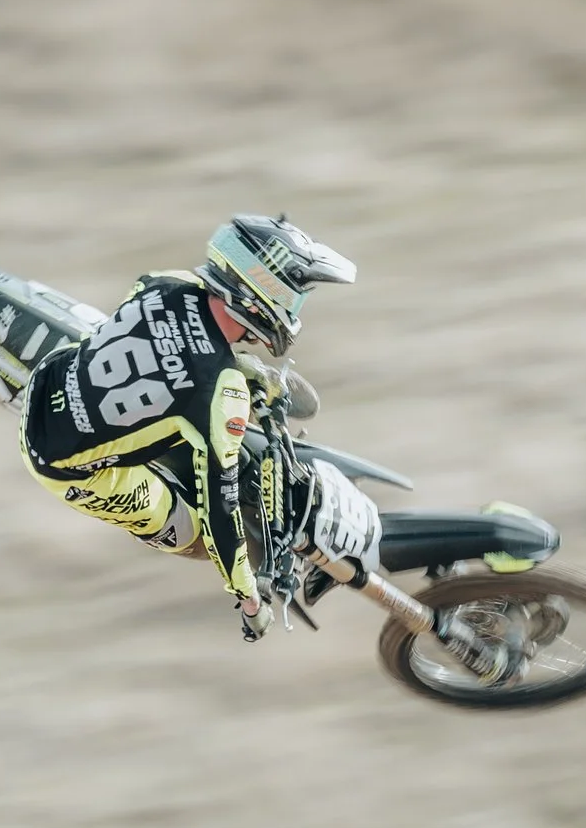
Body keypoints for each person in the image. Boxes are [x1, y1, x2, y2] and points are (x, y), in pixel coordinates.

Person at [19, 215, 355, 639]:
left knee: (195, 415)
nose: (294, 311)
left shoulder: (168, 281)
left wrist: (226, 366)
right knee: (191, 533)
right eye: (294, 298)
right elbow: (220, 510)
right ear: (258, 299)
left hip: (52, 372)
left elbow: (166, 332)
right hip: (64, 465)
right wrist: (249, 598)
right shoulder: (221, 392)